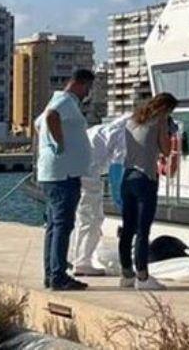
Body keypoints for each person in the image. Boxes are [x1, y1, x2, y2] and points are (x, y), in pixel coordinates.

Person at [35, 68, 95, 291]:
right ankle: (58, 276)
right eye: (88, 89)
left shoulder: (58, 100)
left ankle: (51, 274)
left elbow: (37, 123)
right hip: (63, 174)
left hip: (53, 172)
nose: (87, 94)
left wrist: (48, 146)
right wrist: (59, 144)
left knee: (53, 225)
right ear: (81, 84)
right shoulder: (66, 101)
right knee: (63, 224)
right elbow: (51, 117)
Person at [119, 92, 178, 290]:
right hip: (146, 178)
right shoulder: (159, 122)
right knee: (143, 230)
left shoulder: (132, 121)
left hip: (127, 177)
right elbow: (166, 150)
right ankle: (143, 277)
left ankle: (126, 274)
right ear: (166, 109)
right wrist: (166, 130)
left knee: (127, 229)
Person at [69, 114, 128, 277]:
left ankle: (74, 258)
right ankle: (83, 262)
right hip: (88, 175)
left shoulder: (100, 130)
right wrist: (119, 198)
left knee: (80, 218)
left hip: (73, 171)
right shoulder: (123, 134)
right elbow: (116, 169)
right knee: (93, 218)